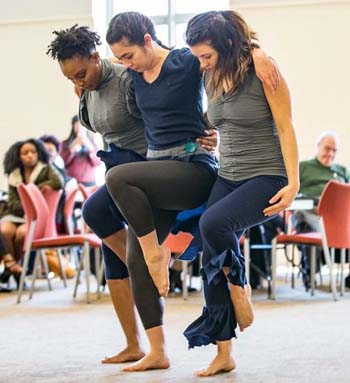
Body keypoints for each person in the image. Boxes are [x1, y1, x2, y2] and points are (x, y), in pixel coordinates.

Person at [104, 11, 279, 372]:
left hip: (192, 166)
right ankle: (158, 351)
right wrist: (85, 82)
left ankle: (159, 255)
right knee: (135, 259)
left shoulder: (185, 61)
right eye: (120, 58)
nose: (126, 64)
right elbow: (102, 69)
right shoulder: (130, 74)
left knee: (118, 178)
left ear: (149, 41)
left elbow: (230, 50)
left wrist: (259, 53)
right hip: (157, 170)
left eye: (130, 55)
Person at [46, 24, 219, 364]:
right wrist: (82, 90)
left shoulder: (127, 76)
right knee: (120, 257)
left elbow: (167, 107)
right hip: (121, 171)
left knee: (97, 213)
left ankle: (154, 257)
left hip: (144, 170)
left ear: (98, 58)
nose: (77, 83)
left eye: (81, 74)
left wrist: (202, 131)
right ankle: (138, 344)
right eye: (70, 78)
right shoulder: (88, 89)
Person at [183, 10, 299, 376]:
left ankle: (241, 286)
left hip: (268, 176)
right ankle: (223, 353)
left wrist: (293, 182)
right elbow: (226, 122)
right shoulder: (211, 76)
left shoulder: (264, 70)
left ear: (229, 45)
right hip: (229, 173)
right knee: (210, 254)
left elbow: (286, 127)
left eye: (207, 56)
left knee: (213, 223)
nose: (201, 64)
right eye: (198, 57)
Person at [293, 131, 349, 288]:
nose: (330, 154)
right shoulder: (302, 167)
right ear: (318, 146)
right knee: (305, 220)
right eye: (327, 148)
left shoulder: (343, 171)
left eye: (334, 150)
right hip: (310, 211)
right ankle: (310, 273)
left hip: (338, 215)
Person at [0, 139, 63, 277]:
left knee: (22, 235)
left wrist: (31, 190)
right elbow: (13, 203)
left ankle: (12, 269)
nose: (29, 155)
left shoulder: (46, 169)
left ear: (39, 153)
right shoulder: (14, 175)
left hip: (35, 217)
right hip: (15, 214)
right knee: (4, 231)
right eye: (25, 153)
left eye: (33, 152)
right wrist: (28, 203)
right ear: (19, 157)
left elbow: (58, 182)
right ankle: (15, 268)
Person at [60, 115, 100, 186]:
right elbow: (62, 163)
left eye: (82, 126)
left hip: (89, 182)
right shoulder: (64, 144)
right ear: (73, 127)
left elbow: (97, 162)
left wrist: (89, 147)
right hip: (71, 182)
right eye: (77, 125)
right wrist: (72, 147)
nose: (79, 128)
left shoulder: (93, 144)